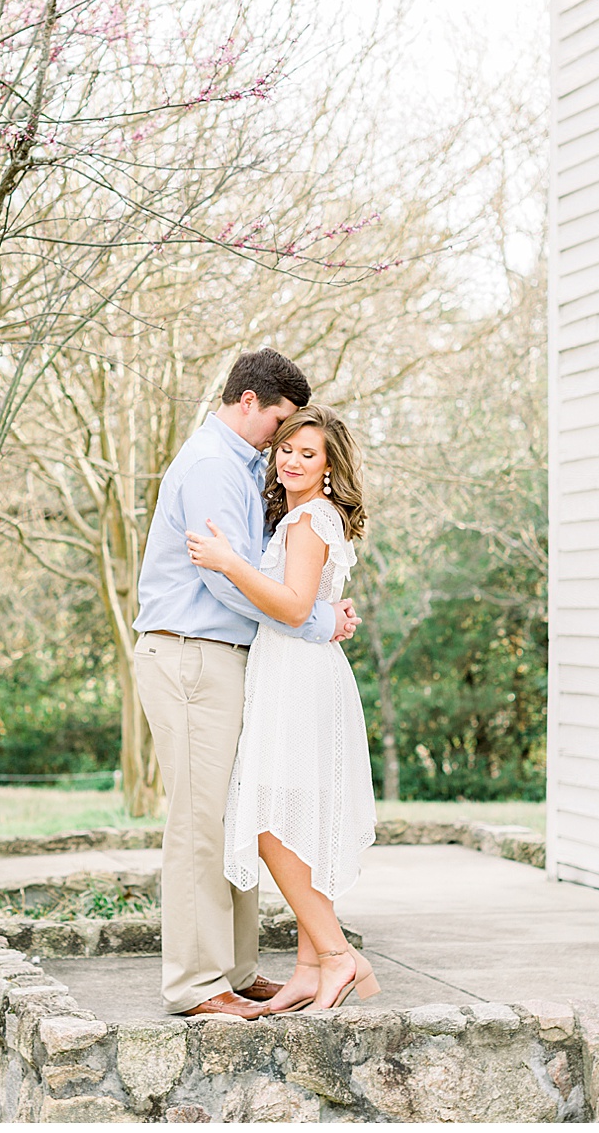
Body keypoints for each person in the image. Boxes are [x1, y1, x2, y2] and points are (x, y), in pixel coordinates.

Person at [132, 349, 359, 1020]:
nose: (282, 442)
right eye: (281, 424)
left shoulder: (241, 467)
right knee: (200, 820)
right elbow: (221, 577)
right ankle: (197, 983)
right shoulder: (209, 466)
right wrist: (314, 618)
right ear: (251, 402)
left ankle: (234, 968)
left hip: (229, 659)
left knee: (234, 815)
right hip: (191, 653)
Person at [185, 403, 379, 1012]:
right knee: (301, 821)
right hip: (295, 670)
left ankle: (338, 954)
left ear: (328, 468)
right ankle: (306, 970)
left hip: (297, 676)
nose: (292, 460)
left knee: (268, 823)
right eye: (287, 449)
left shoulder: (306, 521)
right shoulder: (303, 517)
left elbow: (295, 608)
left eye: (308, 454)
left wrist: (229, 564)